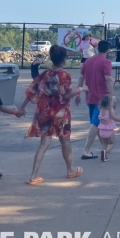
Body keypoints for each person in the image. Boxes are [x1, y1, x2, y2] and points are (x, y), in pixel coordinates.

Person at [18, 45, 84, 184]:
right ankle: (70, 169)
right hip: (60, 112)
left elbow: (32, 90)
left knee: (44, 143)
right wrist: (80, 90)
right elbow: (65, 95)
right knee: (65, 140)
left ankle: (34, 175)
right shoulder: (65, 75)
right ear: (64, 59)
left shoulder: (45, 74)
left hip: (44, 111)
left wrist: (22, 108)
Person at [76, 40, 114, 160]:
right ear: (108, 50)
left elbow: (81, 77)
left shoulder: (88, 61)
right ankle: (86, 150)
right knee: (95, 124)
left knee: (96, 123)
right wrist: (113, 96)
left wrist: (78, 93)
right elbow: (108, 79)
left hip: (90, 96)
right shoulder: (106, 62)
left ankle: (103, 148)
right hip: (101, 98)